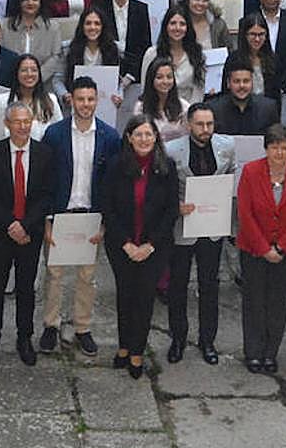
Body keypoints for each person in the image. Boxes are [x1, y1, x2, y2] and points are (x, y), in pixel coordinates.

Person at [38, 76, 121, 356]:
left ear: (97, 100)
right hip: (60, 213)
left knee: (87, 276)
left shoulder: (110, 137)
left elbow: (113, 184)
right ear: (71, 100)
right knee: (54, 274)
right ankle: (51, 325)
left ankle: (83, 327)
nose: (86, 104)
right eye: (81, 99)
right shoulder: (55, 134)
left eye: (90, 99)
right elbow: (45, 179)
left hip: (90, 216)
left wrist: (106, 222)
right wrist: (47, 219)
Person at [0, 103, 55, 365]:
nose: (22, 126)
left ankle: (25, 338)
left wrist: (25, 225)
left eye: (26, 121)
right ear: (7, 124)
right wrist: (11, 224)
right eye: (17, 121)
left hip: (29, 234)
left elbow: (46, 195)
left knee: (26, 288)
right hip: (0, 233)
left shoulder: (45, 154)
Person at [102, 115, 178, 378]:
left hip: (154, 247)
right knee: (125, 295)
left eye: (148, 134)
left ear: (156, 137)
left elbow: (171, 211)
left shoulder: (166, 167)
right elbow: (108, 207)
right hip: (121, 245)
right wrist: (125, 243)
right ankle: (123, 346)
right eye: (138, 134)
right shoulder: (116, 166)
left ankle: (137, 352)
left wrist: (149, 245)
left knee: (144, 298)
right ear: (129, 138)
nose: (144, 139)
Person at [165, 103, 237, 364]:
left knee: (210, 285)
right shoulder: (172, 150)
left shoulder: (226, 146)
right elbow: (163, 187)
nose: (205, 129)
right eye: (200, 124)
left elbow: (232, 177)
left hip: (212, 227)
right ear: (188, 125)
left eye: (209, 124)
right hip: (182, 227)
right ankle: (178, 339)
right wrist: (175, 206)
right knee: (178, 286)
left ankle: (208, 341)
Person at [236, 123, 286, 373]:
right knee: (254, 301)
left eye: (284, 148)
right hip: (253, 248)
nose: (279, 153)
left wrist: (281, 247)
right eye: (274, 147)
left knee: (278, 302)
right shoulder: (250, 171)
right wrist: (263, 248)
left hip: (285, 251)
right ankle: (253, 352)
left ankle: (270, 352)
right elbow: (245, 213)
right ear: (266, 148)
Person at [0, 54, 62, 141]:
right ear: (16, 73)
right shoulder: (0, 102)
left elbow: (59, 134)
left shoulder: (51, 100)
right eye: (24, 70)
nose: (29, 74)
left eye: (34, 70)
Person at [99, 0, 153, 89]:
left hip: (135, 73)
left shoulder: (141, 9)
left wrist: (130, 75)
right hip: (107, 70)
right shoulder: (101, 9)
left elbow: (144, 45)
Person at [141, 7, 207, 105]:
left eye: (182, 24)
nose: (177, 28)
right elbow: (145, 89)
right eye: (173, 23)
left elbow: (198, 92)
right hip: (157, 109)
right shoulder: (152, 54)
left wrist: (189, 112)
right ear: (165, 26)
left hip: (188, 110)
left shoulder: (197, 55)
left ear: (188, 27)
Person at [55, 7, 121, 101]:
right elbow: (58, 80)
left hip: (105, 103)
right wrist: (65, 95)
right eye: (88, 23)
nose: (92, 27)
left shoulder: (113, 49)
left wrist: (119, 95)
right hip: (74, 104)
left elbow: (119, 81)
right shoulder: (67, 49)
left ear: (103, 27)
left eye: (97, 23)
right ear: (82, 26)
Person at [4, 0, 62, 87]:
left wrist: (36, 78)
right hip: (11, 84)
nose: (30, 3)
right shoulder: (5, 27)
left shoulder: (53, 27)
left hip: (43, 85)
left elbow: (56, 57)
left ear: (41, 2)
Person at [219, 21, 282, 108]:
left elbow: (276, 95)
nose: (257, 39)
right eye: (253, 34)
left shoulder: (272, 59)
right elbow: (226, 92)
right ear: (245, 35)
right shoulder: (234, 59)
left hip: (267, 111)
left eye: (261, 34)